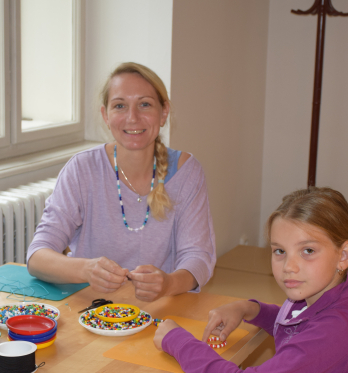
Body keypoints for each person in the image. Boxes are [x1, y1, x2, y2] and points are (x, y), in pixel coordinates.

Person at [154, 187, 348, 373]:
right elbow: (301, 324)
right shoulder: (337, 292)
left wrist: (177, 340)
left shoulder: (335, 331)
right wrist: (250, 309)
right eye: (279, 251)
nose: (289, 266)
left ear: (344, 255)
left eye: (308, 250)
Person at [27, 62, 216, 302]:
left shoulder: (186, 172)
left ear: (163, 113)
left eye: (144, 104)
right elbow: (37, 257)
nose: (132, 117)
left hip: (159, 309)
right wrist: (85, 269)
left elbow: (198, 258)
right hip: (91, 309)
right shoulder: (82, 169)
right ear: (106, 115)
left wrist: (169, 283)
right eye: (120, 106)